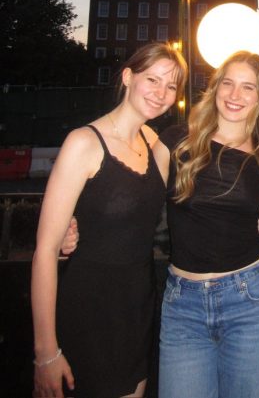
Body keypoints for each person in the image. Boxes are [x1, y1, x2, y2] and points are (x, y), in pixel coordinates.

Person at [31, 42, 187, 398]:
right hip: (89, 307)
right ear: (128, 77)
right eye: (152, 79)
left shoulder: (153, 141)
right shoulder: (83, 143)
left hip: (139, 306)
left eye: (171, 85)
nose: (161, 92)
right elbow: (45, 252)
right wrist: (45, 352)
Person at [155, 51, 259, 398]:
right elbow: (135, 198)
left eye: (248, 87)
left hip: (252, 300)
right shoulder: (176, 140)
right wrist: (78, 224)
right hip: (183, 304)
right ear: (215, 88)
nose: (234, 95)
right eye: (227, 83)